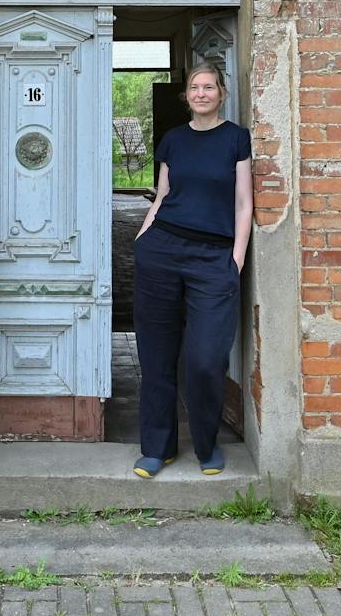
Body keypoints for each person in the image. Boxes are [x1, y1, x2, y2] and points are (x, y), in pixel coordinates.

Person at [130, 62, 252, 479]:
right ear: (187, 94)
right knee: (157, 354)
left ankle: (206, 444)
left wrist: (235, 260)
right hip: (162, 249)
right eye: (195, 87)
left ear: (222, 93)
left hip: (213, 258)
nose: (201, 93)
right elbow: (162, 195)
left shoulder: (236, 138)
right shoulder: (174, 140)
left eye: (209, 87)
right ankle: (157, 448)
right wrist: (143, 239)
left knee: (204, 359)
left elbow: (243, 204)